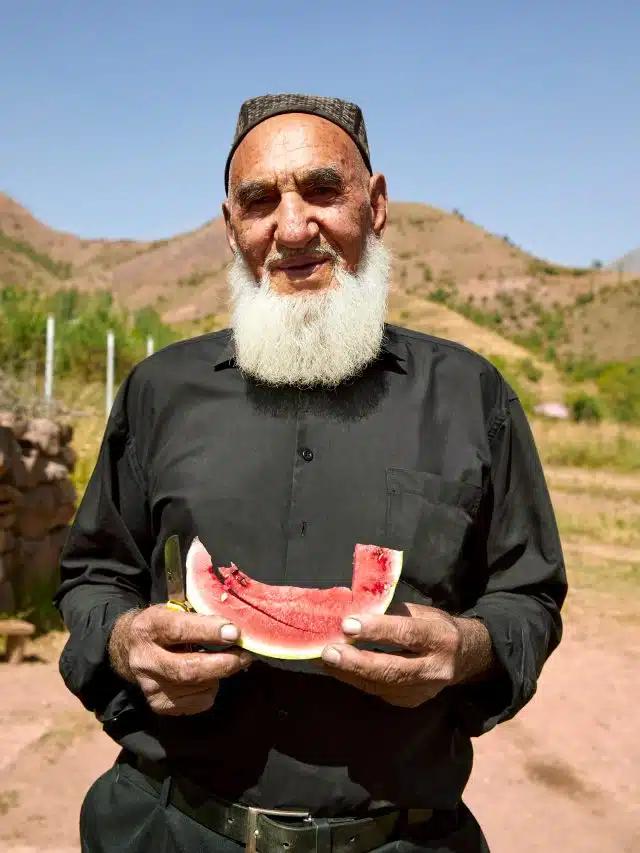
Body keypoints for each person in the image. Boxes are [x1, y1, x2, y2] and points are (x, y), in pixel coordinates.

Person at [54, 93, 567, 853]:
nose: (293, 227)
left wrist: (468, 647)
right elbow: (94, 571)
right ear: (232, 228)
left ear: (377, 203)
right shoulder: (161, 390)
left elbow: (529, 594)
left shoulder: (470, 395)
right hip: (172, 826)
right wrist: (126, 638)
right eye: (260, 201)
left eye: (323, 190)